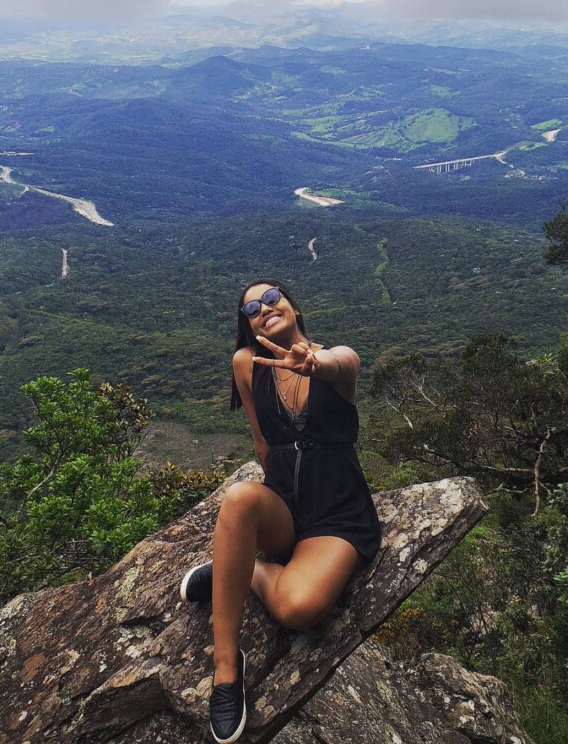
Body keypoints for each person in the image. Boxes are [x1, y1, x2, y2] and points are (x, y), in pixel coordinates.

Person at [180, 279, 382, 744]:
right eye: (251, 308)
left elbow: (343, 362)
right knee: (238, 497)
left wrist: (315, 363)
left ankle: (239, 570)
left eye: (271, 298)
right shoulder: (246, 364)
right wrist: (267, 505)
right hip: (284, 507)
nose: (263, 308)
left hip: (335, 515)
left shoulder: (338, 360)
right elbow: (262, 442)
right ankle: (227, 669)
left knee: (299, 607)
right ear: (246, 324)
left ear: (292, 304)